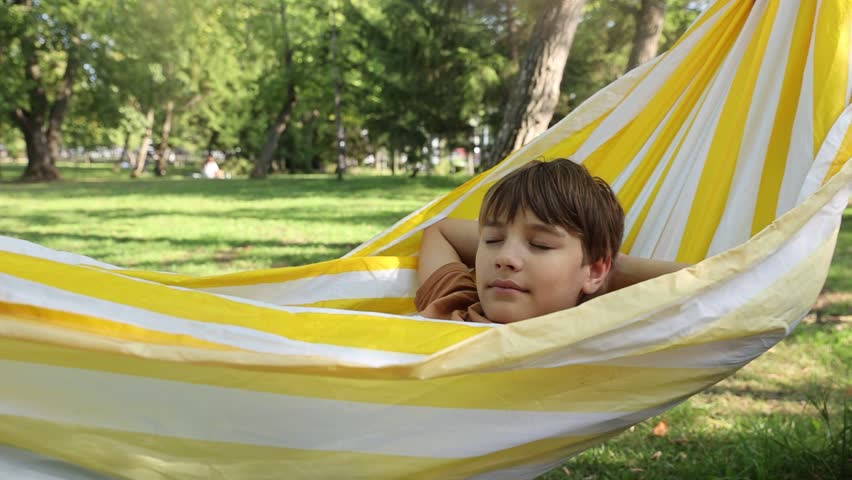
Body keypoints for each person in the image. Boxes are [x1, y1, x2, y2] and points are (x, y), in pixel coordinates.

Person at [415, 158, 689, 324]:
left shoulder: (595, 332)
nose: (504, 258)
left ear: (594, 270)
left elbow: (718, 283)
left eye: (540, 245)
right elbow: (440, 230)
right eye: (493, 239)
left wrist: (610, 271)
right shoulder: (455, 305)